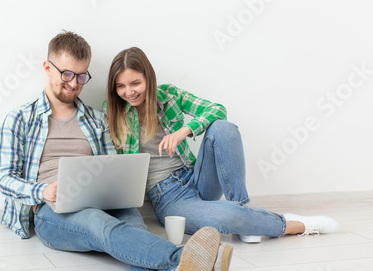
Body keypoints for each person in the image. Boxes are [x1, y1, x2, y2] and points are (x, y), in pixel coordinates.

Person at [0, 31, 234, 271]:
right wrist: (43, 190)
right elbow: (4, 179)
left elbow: (112, 163)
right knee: (100, 225)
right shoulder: (20, 118)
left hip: (102, 197)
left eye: (82, 76)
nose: (74, 84)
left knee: (131, 230)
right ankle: (189, 259)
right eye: (67, 74)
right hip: (51, 210)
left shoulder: (97, 119)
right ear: (48, 68)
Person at [104, 47, 339, 243]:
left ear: (149, 78)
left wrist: (183, 132)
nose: (129, 92)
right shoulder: (112, 112)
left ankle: (242, 208)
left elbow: (217, 109)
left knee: (223, 127)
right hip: (168, 197)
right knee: (227, 219)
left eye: (135, 83)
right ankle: (295, 225)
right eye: (121, 86)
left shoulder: (169, 95)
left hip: (195, 175)